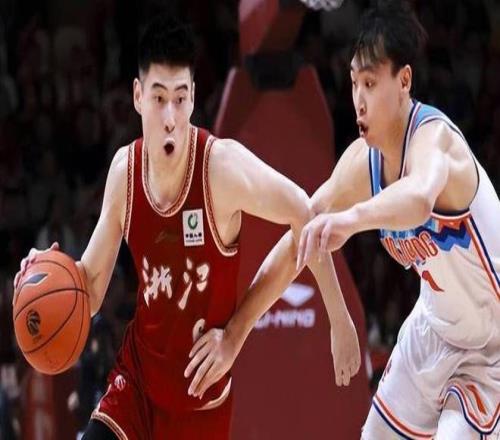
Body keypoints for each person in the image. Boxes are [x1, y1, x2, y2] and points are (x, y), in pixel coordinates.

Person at [14, 15, 360, 440]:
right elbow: (89, 285)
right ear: (137, 96)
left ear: (194, 97)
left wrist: (330, 319)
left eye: (180, 98)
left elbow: (304, 214)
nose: (170, 116)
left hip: (200, 403)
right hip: (136, 388)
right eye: (159, 98)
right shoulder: (124, 172)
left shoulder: (221, 169)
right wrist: (45, 273)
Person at [297, 1, 500, 439]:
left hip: (492, 344)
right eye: (354, 83)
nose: (358, 98)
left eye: (370, 83)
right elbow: (306, 226)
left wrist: (352, 219)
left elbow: (420, 197)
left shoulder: (435, 139)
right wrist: (337, 316)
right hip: (433, 328)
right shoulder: (361, 163)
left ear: (404, 80)